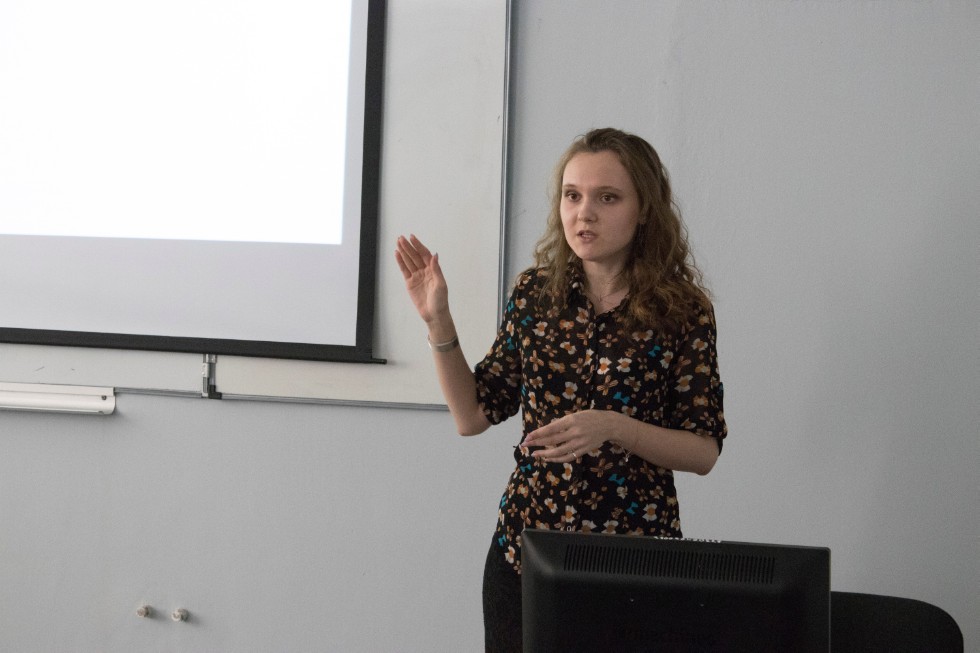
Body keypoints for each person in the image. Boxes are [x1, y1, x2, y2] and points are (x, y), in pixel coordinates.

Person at [395, 127, 726, 652]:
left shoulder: (682, 311)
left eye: (607, 198)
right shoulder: (535, 294)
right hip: (527, 558)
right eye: (572, 196)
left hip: (634, 568)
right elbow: (472, 415)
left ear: (644, 209)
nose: (583, 213)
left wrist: (612, 427)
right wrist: (439, 322)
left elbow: (703, 451)